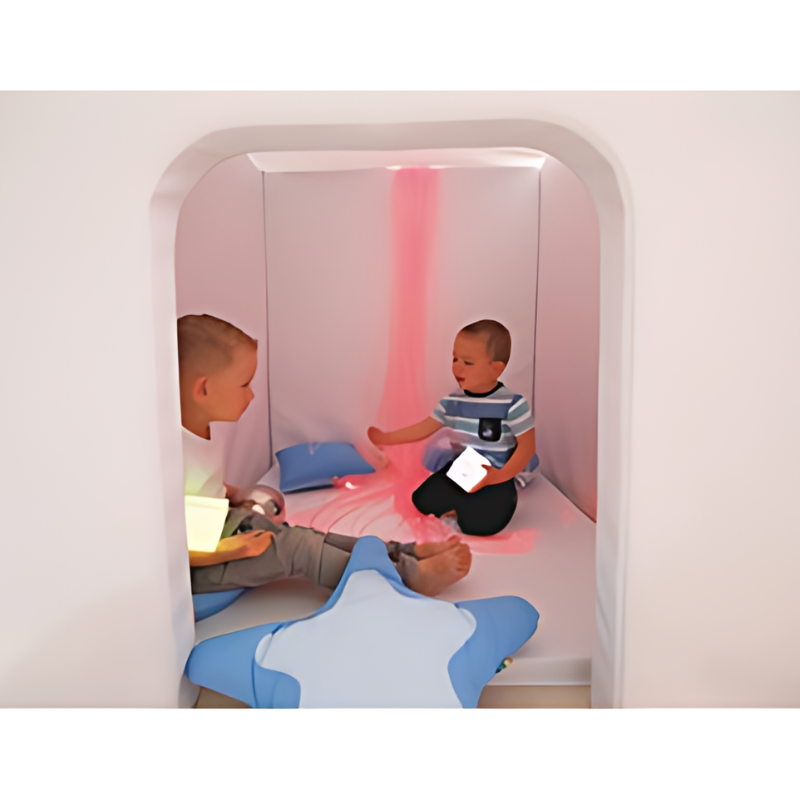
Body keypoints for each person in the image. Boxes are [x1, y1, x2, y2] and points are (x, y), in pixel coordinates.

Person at [178, 314, 471, 598]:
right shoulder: (168, 457)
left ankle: (400, 551)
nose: (251, 395)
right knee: (299, 550)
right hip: (201, 564)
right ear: (204, 389)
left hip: (224, 526)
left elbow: (198, 490)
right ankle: (405, 577)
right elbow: (169, 547)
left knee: (311, 537)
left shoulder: (198, 433)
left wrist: (234, 493)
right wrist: (231, 550)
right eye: (244, 385)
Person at [368, 320, 537, 536]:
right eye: (455, 359)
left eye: (467, 362)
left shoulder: (512, 404)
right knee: (421, 501)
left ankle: (486, 501)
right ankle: (460, 502)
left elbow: (526, 447)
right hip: (462, 469)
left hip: (494, 474)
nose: (457, 367)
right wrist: (387, 438)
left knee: (478, 526)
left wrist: (499, 476)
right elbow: (424, 428)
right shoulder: (452, 402)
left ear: (496, 368)